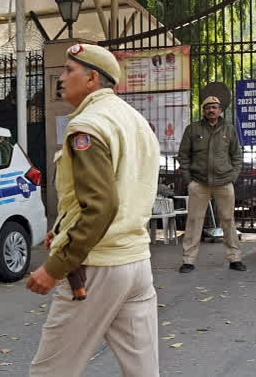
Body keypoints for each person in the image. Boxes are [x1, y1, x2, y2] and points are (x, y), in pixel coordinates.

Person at [27, 43, 162, 376]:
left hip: (97, 266)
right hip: (136, 263)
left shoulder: (87, 126)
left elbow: (101, 207)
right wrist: (61, 230)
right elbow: (114, 192)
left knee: (50, 371)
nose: (61, 78)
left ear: (91, 79)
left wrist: (55, 267)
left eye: (69, 70)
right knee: (142, 369)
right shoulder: (134, 120)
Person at [176, 95, 246, 273]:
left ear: (220, 110)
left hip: (224, 182)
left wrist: (233, 177)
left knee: (228, 220)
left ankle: (235, 258)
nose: (211, 110)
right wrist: (189, 180)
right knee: (194, 221)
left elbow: (237, 156)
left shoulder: (228, 129)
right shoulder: (193, 129)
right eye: (208, 107)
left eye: (214, 107)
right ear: (204, 110)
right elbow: (183, 156)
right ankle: (188, 261)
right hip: (199, 183)